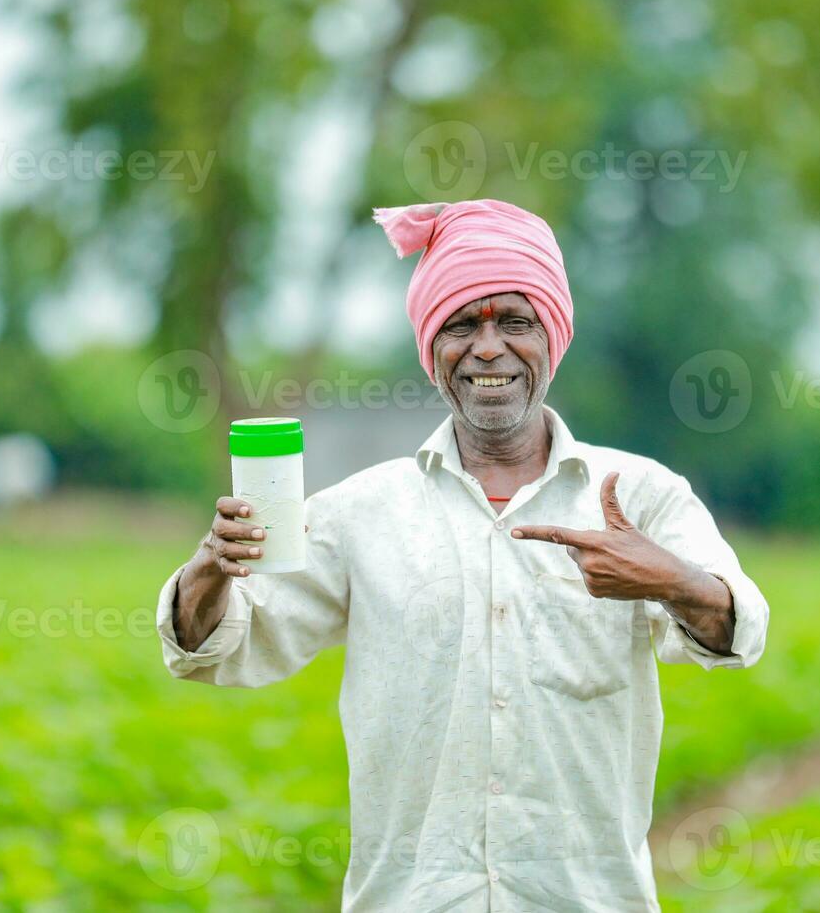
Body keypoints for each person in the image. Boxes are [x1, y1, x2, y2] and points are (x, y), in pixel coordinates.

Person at [155, 198, 769, 912]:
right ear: (431, 349)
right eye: (459, 325)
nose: (486, 348)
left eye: (514, 321)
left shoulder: (641, 496)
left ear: (552, 338)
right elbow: (220, 647)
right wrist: (211, 569)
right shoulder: (360, 513)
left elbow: (739, 629)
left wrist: (668, 579)